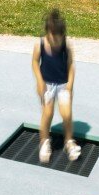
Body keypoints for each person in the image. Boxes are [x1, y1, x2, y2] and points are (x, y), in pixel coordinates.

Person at [31, 9, 80, 164]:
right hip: (47, 84)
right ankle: (44, 141)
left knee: (66, 114)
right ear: (47, 33)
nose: (55, 41)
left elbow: (71, 64)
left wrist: (70, 85)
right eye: (52, 37)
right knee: (48, 112)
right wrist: (39, 81)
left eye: (58, 37)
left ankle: (68, 141)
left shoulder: (67, 45)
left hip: (63, 84)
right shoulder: (40, 44)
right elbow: (34, 62)